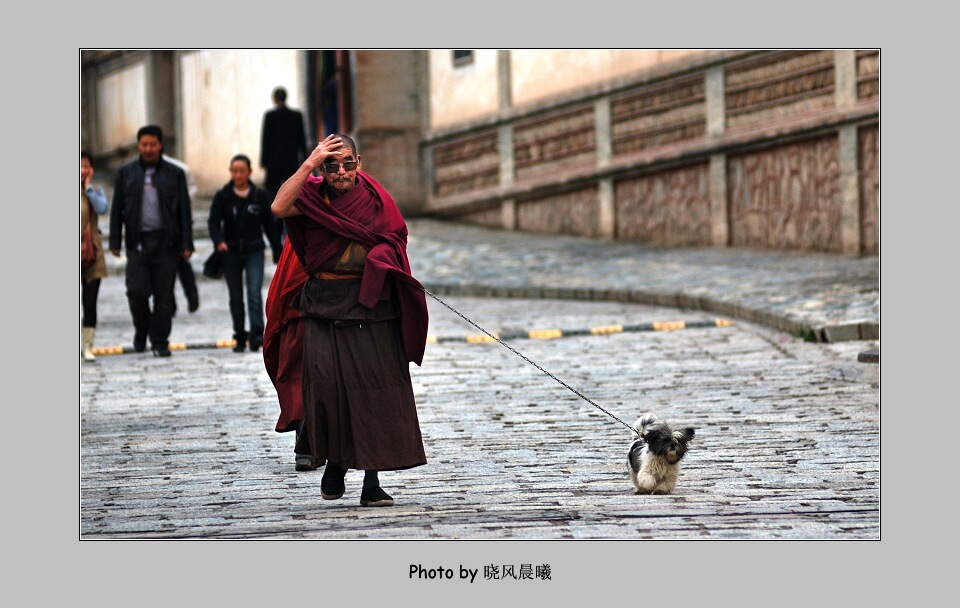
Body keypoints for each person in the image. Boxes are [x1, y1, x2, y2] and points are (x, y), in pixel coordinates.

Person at [268, 133, 429, 507]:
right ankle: (335, 466)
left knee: (375, 393)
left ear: (360, 162)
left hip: (371, 304)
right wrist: (309, 163)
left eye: (347, 163)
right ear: (322, 169)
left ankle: (372, 483)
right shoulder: (310, 198)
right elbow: (278, 207)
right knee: (327, 390)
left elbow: (395, 236)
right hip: (324, 304)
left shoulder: (375, 199)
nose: (340, 171)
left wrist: (383, 257)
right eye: (331, 165)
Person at [109, 125, 195, 357]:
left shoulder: (174, 174)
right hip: (137, 242)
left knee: (164, 295)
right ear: (139, 145)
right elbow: (117, 208)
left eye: (152, 145)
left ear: (160, 145)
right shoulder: (126, 173)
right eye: (144, 145)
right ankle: (142, 328)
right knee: (136, 292)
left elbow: (184, 212)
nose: (148, 149)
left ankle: (159, 341)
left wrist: (187, 243)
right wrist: (115, 239)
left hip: (166, 242)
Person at [208, 154, 282, 353]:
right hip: (230, 251)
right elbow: (214, 221)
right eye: (234, 171)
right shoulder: (223, 196)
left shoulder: (259, 196)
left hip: (254, 250)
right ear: (230, 172)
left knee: (254, 292)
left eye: (242, 170)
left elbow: (269, 225)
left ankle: (257, 333)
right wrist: (219, 241)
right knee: (235, 295)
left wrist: (278, 250)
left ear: (249, 172)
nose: (238, 174)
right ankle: (239, 334)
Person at [81, 150, 109, 362]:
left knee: (90, 301)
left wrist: (88, 188)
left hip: (92, 251)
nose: (81, 171)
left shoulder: (95, 190)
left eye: (85, 166)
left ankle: (87, 346)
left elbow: (102, 208)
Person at [260, 86, 307, 199]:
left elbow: (265, 140)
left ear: (274, 99)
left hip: (273, 162)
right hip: (291, 161)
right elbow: (302, 140)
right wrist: (304, 160)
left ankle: (274, 214)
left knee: (272, 192)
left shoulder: (270, 116)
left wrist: (264, 161)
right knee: (291, 192)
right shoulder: (296, 116)